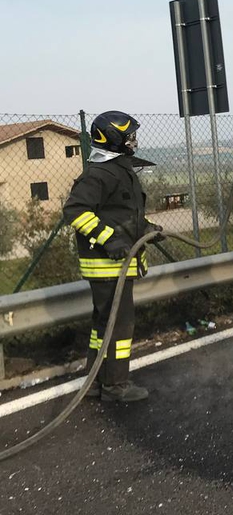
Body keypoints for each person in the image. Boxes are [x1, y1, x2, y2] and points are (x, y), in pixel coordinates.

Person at [63, 111, 163, 402]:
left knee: (103, 325)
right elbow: (75, 212)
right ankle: (116, 385)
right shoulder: (98, 174)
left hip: (116, 263)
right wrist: (110, 240)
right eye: (129, 135)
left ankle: (95, 381)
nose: (133, 140)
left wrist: (148, 229)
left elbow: (124, 215)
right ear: (115, 138)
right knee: (119, 325)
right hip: (106, 263)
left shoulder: (119, 170)